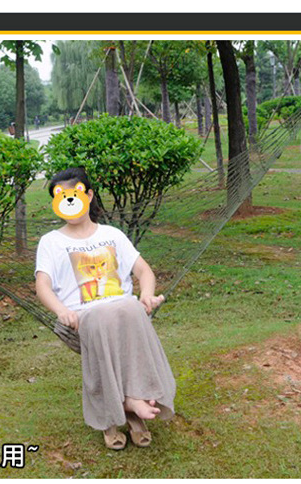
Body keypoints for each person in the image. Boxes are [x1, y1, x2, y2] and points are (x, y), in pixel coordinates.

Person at [34, 167, 177, 450]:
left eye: (74, 194)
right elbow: (42, 286)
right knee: (104, 316)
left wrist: (147, 296)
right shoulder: (51, 242)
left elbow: (144, 272)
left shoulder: (112, 235)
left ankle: (130, 402)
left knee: (132, 308)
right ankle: (132, 403)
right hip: (83, 318)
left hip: (125, 311)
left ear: (88, 196)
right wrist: (61, 311)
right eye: (61, 196)